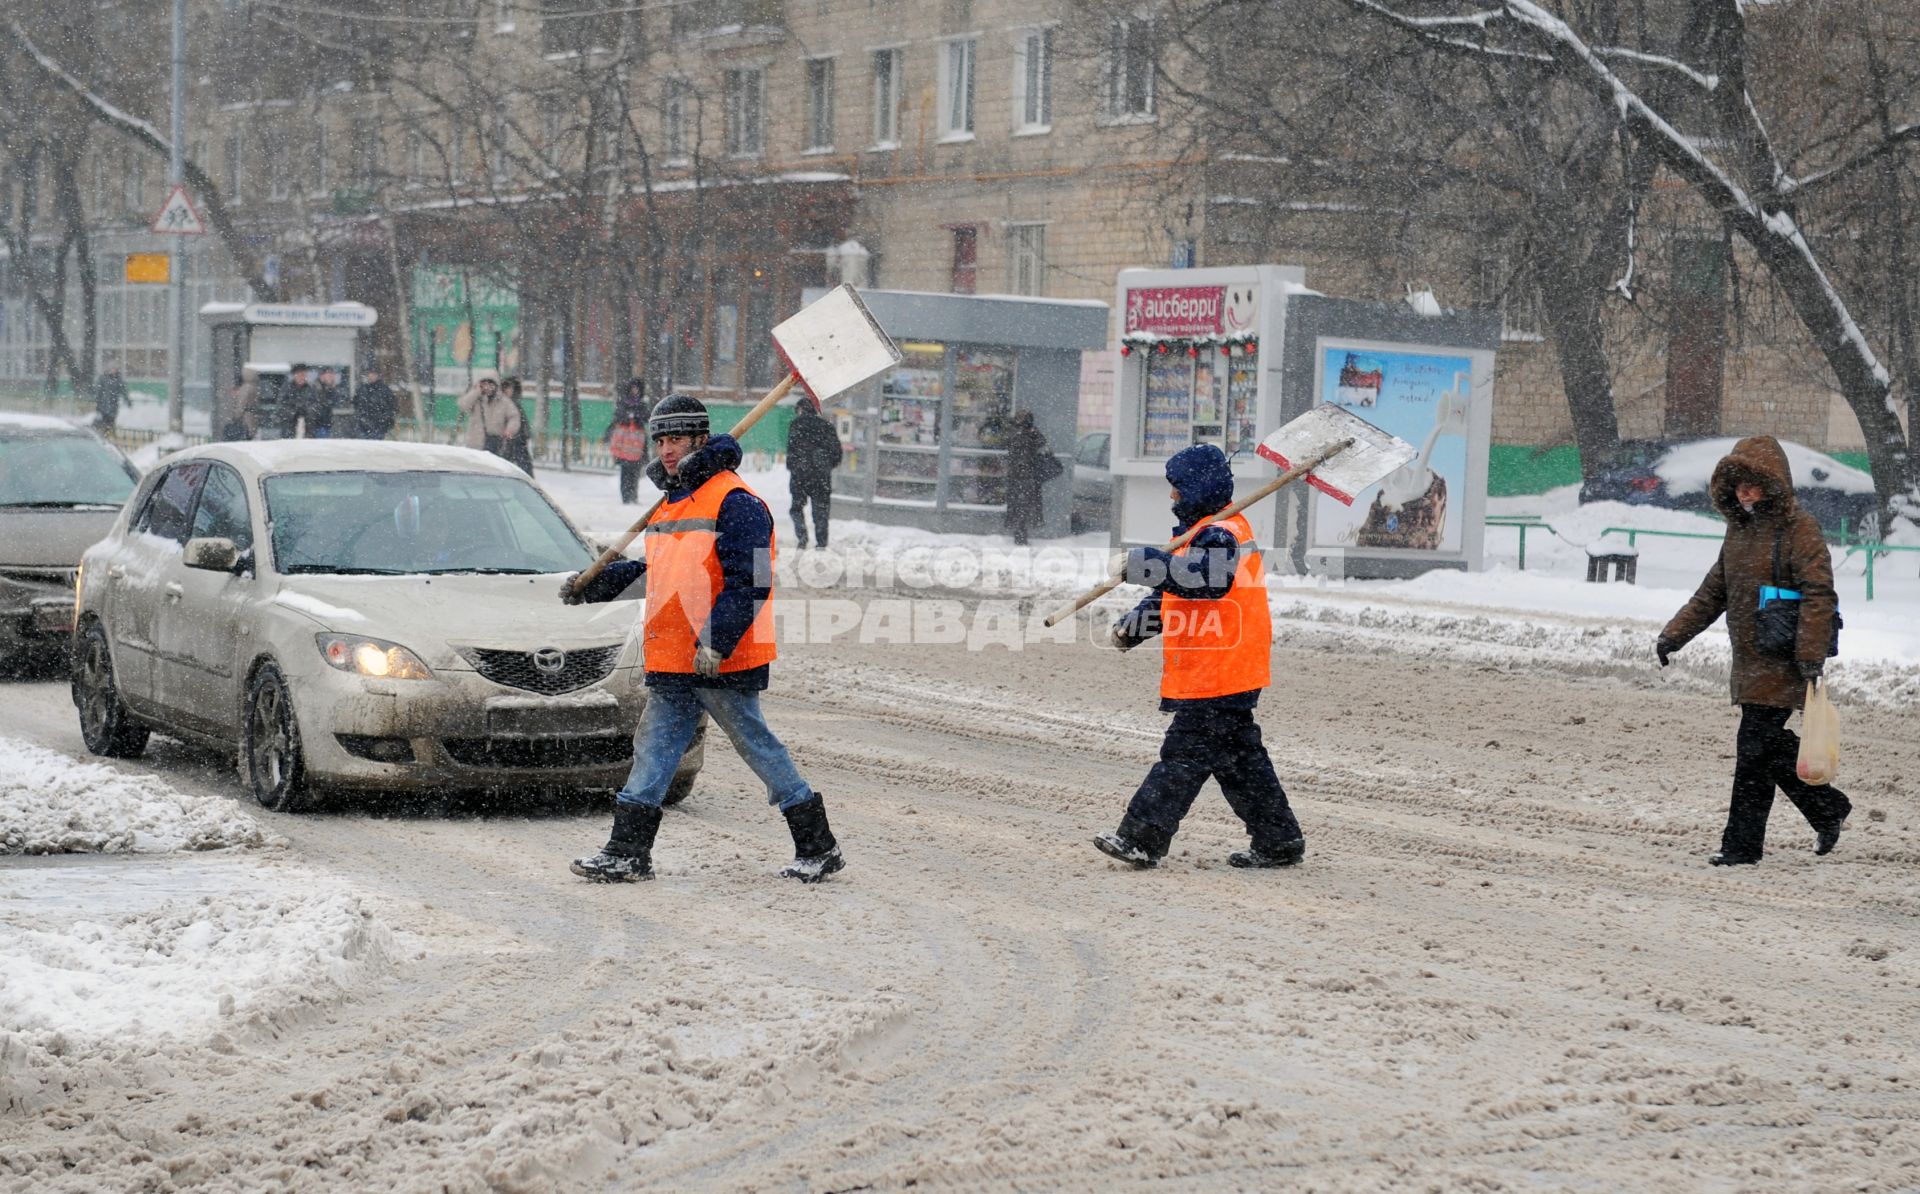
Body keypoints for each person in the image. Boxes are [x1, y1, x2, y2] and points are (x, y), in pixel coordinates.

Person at [560, 394, 844, 885]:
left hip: (720, 658)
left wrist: (718, 639)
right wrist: (596, 584)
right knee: (654, 748)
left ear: (699, 439)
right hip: (674, 655)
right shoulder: (672, 503)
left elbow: (752, 580)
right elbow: (662, 575)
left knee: (754, 744)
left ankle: (817, 845)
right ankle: (627, 852)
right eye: (661, 440)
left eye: (677, 439)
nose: (667, 449)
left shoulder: (737, 502)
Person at [1093, 443, 1306, 872]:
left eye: (1177, 489)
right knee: (1240, 761)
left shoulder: (1221, 534)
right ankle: (1279, 839)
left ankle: (1142, 838)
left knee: (1183, 757)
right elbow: (1175, 595)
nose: (1172, 498)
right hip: (1226, 670)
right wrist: (1132, 629)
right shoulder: (1202, 532)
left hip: (1220, 670)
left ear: (1198, 489)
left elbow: (1205, 581)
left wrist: (1142, 563)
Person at [1656, 435, 1851, 866]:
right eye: (1739, 483)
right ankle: (1819, 811)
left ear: (1774, 483)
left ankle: (1750, 843)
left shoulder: (1800, 529)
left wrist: (1811, 654)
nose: (1745, 491)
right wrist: (1674, 635)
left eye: (1754, 483)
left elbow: (1819, 594)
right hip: (1750, 658)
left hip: (1785, 657)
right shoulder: (1738, 531)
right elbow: (1712, 594)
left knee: (1755, 747)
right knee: (1759, 752)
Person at [784, 398, 842, 548]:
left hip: (800, 475)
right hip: (820, 475)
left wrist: (795, 466)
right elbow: (837, 452)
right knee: (821, 510)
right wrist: (826, 465)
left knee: (796, 508)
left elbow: (791, 451)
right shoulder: (826, 426)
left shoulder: (796, 425)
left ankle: (802, 538)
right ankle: (821, 542)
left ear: (801, 409)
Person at [1003, 410, 1062, 546]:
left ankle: (1020, 533)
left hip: (1025, 475)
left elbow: (1041, 445)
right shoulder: (1019, 432)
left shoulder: (1026, 432)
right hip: (1023, 475)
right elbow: (1040, 445)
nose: (1019, 420)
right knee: (1022, 506)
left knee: (1022, 506)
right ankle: (1020, 533)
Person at [457, 370, 522, 462]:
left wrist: (509, 430)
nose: (487, 387)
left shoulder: (503, 401)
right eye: (484, 383)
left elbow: (514, 417)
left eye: (490, 383)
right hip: (475, 444)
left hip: (495, 443)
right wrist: (476, 392)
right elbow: (463, 405)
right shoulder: (476, 399)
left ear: (496, 385)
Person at [604, 379, 650, 504]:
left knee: (635, 472)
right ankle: (625, 497)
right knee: (625, 472)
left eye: (637, 389)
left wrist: (636, 417)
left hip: (637, 444)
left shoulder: (641, 405)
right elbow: (617, 418)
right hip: (624, 444)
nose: (635, 391)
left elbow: (647, 417)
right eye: (633, 388)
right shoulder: (623, 403)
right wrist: (628, 417)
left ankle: (633, 496)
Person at [278, 364, 327, 438]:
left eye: (304, 375)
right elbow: (281, 403)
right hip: (290, 423)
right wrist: (293, 412)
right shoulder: (287, 388)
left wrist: (308, 411)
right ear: (294, 375)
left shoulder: (311, 388)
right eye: (299, 375)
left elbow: (317, 404)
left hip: (308, 425)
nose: (302, 377)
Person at [499, 376, 535, 474]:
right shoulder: (507, 404)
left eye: (509, 387)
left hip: (515, 441)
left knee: (505, 466)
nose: (506, 390)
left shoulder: (512, 405)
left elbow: (521, 424)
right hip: (512, 441)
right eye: (505, 387)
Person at [352, 364, 398, 440]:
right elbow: (356, 403)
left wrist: (385, 417)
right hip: (364, 424)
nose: (372, 376)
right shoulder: (363, 389)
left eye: (374, 374)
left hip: (379, 425)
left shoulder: (384, 390)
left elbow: (392, 406)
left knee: (375, 443)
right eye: (370, 374)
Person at [221, 368, 260, 441]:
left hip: (245, 417)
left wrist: (236, 416)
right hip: (252, 416)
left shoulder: (245, 388)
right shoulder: (255, 386)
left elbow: (241, 404)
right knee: (250, 434)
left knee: (244, 435)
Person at [93, 366, 126, 431]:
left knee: (111, 420)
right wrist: (98, 400)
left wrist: (127, 399)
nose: (112, 371)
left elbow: (123, 390)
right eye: (111, 369)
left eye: (114, 369)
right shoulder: (103, 378)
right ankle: (102, 432)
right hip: (103, 404)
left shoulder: (118, 379)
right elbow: (98, 390)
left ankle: (108, 432)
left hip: (113, 404)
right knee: (102, 420)